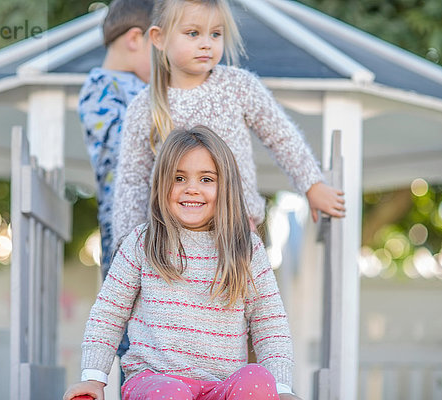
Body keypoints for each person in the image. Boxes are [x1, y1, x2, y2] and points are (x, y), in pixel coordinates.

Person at [63, 126, 300, 400]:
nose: (192, 189)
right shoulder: (142, 242)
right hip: (155, 383)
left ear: (226, 186)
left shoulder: (246, 248)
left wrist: (282, 388)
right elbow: (108, 314)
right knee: (171, 392)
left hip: (220, 388)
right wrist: (94, 378)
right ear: (162, 184)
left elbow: (269, 323)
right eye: (179, 178)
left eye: (207, 179)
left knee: (256, 378)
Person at [112, 0, 345, 247]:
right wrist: (127, 246)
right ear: (159, 38)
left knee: (238, 287)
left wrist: (312, 184)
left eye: (216, 34)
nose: (206, 43)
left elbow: (281, 136)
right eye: (193, 33)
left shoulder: (238, 86)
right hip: (171, 238)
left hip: (235, 231)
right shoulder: (144, 106)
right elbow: (132, 181)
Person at [78, 0, 153, 276]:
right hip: (122, 223)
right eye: (158, 47)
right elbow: (125, 144)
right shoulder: (100, 87)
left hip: (154, 221)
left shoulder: (144, 87)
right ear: (135, 38)